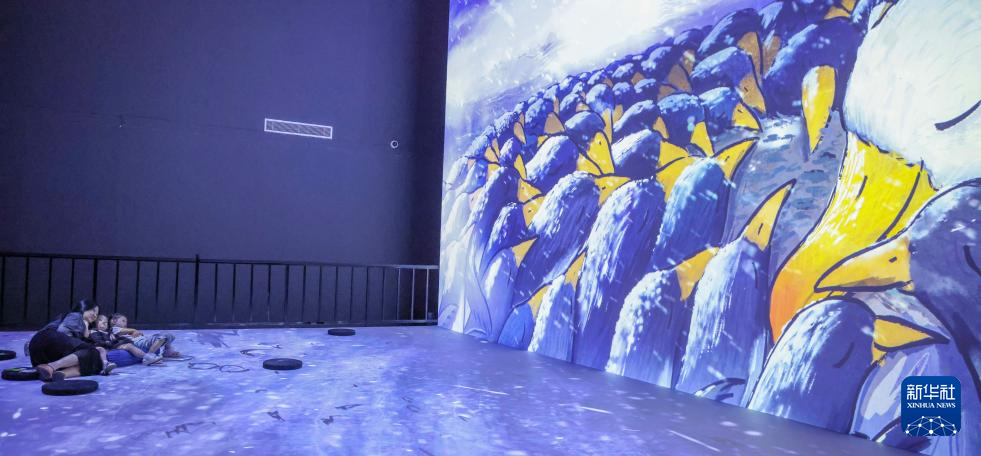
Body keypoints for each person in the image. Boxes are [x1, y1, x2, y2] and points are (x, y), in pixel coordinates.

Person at [28, 299, 115, 381]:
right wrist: (85, 329)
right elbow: (62, 332)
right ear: (84, 307)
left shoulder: (71, 319)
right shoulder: (76, 316)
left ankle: (60, 373)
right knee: (92, 352)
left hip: (40, 355)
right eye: (93, 311)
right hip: (49, 340)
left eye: (97, 314)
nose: (95, 315)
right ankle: (51, 366)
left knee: (94, 364)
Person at [110, 313, 180, 363]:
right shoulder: (114, 329)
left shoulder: (125, 330)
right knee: (163, 336)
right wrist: (134, 330)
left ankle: (167, 350)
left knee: (168, 335)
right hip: (138, 342)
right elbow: (132, 331)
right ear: (114, 321)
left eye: (126, 321)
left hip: (142, 340)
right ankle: (149, 355)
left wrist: (137, 333)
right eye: (123, 321)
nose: (125, 323)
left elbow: (139, 333)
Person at [89, 315, 157, 366]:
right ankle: (105, 364)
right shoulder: (94, 331)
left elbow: (117, 339)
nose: (105, 324)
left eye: (106, 323)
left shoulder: (109, 332)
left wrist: (126, 341)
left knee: (129, 345)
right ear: (96, 323)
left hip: (112, 346)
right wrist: (109, 342)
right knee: (102, 350)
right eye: (102, 322)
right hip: (106, 347)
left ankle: (147, 357)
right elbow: (98, 341)